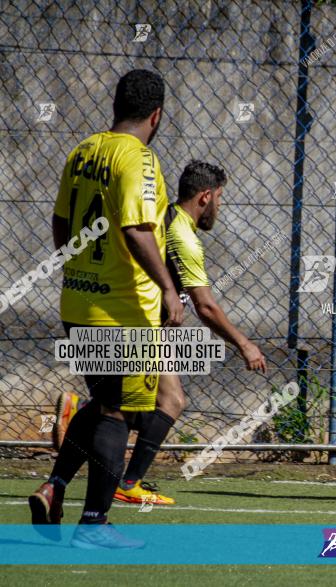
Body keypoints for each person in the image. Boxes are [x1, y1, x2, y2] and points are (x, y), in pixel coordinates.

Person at [50, 161, 268, 507]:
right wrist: (244, 344)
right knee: (163, 401)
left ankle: (67, 471)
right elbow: (206, 307)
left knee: (136, 402)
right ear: (206, 196)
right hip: (141, 327)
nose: (220, 207)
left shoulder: (161, 215)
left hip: (126, 318)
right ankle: (125, 482)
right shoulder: (183, 236)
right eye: (220, 199)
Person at [30, 69, 183, 549]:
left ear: (115, 105)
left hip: (78, 302)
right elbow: (138, 229)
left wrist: (74, 266)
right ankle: (93, 525)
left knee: (103, 404)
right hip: (123, 311)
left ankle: (53, 488)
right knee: (122, 415)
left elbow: (60, 221)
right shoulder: (138, 160)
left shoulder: (82, 151)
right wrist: (168, 289)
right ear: (156, 116)